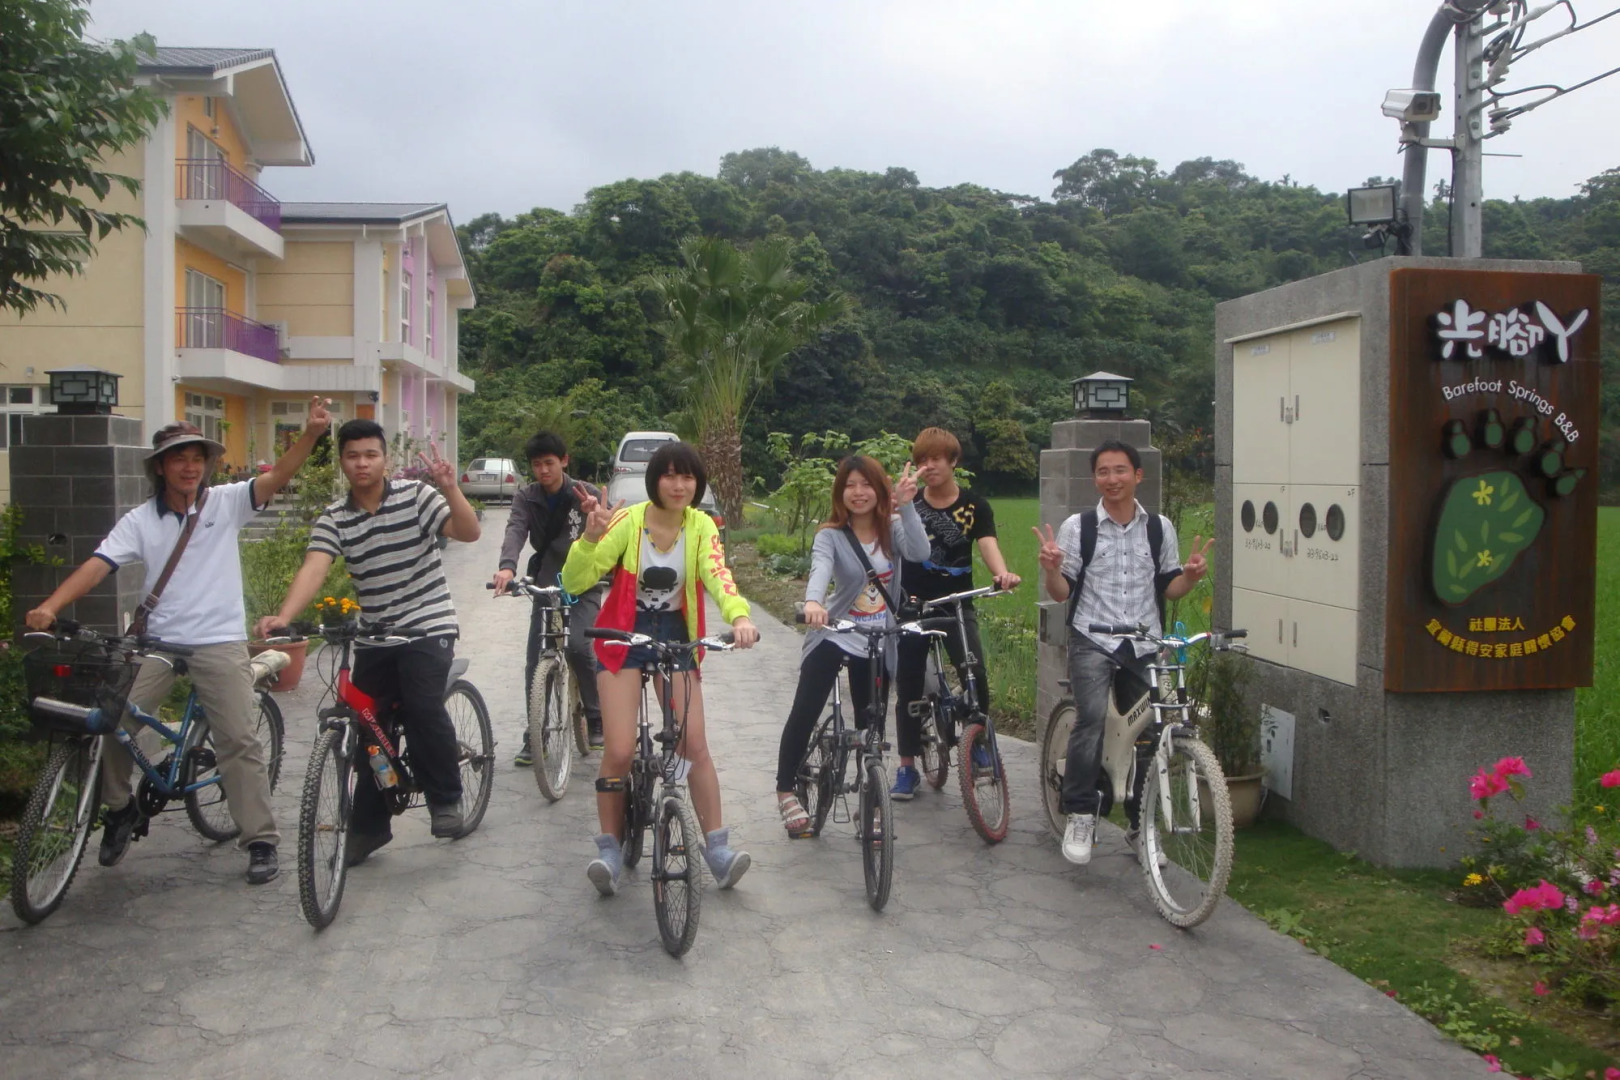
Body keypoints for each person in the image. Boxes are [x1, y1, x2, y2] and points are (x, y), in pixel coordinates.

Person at [26, 399, 336, 885]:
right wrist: (50, 606)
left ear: (206, 465)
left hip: (218, 641)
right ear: (160, 467)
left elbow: (277, 476)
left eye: (197, 458)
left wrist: (312, 435)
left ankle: (258, 839)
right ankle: (120, 807)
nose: (190, 466)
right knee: (114, 719)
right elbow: (96, 565)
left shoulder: (226, 502)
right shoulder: (140, 521)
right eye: (178, 458)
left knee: (237, 739)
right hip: (159, 643)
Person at [255, 420, 482, 867]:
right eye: (353, 455)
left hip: (428, 624)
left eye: (370, 454)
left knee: (420, 703)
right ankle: (370, 827)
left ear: (386, 460)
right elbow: (315, 567)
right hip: (376, 635)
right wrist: (284, 615)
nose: (362, 463)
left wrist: (451, 488)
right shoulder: (335, 517)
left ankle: (445, 798)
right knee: (365, 725)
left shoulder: (417, 498)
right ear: (342, 461)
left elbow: (469, 532)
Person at [561, 441, 758, 895]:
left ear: (697, 483)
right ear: (655, 481)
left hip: (676, 633)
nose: (678, 484)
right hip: (623, 633)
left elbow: (719, 576)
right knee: (619, 749)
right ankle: (609, 850)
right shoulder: (629, 521)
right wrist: (590, 537)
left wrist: (741, 617)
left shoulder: (702, 525)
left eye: (687, 476)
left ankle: (717, 849)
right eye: (669, 475)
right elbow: (575, 582)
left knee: (694, 744)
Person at [1034, 439, 1211, 866]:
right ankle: (1080, 812)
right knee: (1091, 718)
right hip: (1093, 637)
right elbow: (1063, 594)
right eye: (1103, 472)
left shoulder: (1159, 528)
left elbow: (1169, 587)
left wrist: (1190, 577)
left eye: (1120, 470)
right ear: (1095, 478)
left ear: (1137, 475)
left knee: (1152, 730)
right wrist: (1053, 570)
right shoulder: (1080, 527)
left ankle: (1140, 824)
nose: (1111, 479)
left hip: (1145, 641)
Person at [775, 456, 927, 835]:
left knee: (870, 724)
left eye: (866, 485)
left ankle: (868, 799)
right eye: (850, 485)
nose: (858, 493)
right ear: (840, 492)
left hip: (877, 640)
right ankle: (786, 791)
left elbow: (921, 553)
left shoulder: (893, 528)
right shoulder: (830, 535)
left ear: (879, 490)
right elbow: (821, 569)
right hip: (834, 631)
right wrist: (813, 603)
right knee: (806, 710)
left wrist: (906, 507)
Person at [890, 427, 1021, 800]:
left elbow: (987, 545)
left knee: (974, 672)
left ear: (953, 461)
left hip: (958, 601)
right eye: (920, 460)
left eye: (935, 459)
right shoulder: (910, 504)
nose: (927, 466)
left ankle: (979, 744)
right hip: (913, 603)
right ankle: (906, 767)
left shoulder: (975, 506)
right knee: (909, 685)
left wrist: (1002, 573)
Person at [491, 431, 606, 765]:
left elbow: (608, 535)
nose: (543, 470)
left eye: (549, 463)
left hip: (583, 585)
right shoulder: (527, 497)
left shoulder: (586, 494)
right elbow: (515, 529)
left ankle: (595, 716)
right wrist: (507, 568)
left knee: (580, 647)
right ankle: (535, 734)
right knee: (536, 657)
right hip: (547, 583)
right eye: (537, 464)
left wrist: (594, 514)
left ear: (564, 461)